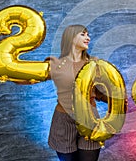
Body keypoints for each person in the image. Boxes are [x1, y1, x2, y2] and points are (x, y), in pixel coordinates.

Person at [46, 24, 107, 161]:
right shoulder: (56, 63)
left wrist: (118, 101)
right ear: (71, 38)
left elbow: (100, 93)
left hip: (90, 119)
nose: (88, 38)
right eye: (83, 34)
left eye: (88, 34)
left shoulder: (94, 63)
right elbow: (25, 78)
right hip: (63, 121)